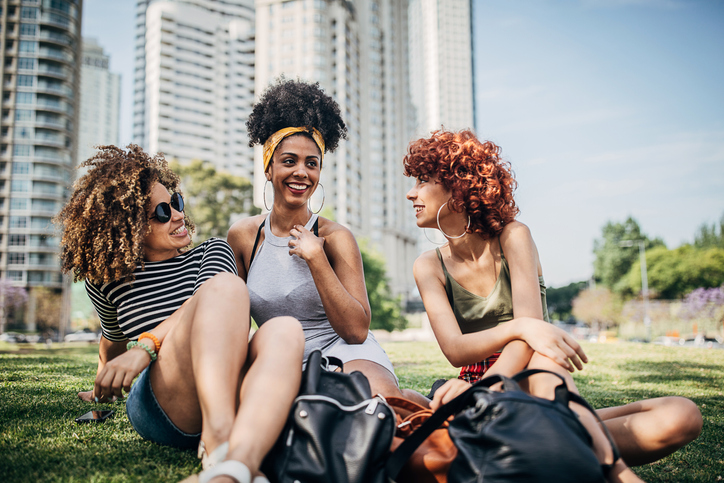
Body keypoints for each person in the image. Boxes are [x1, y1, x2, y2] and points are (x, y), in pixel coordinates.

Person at [404, 130, 702, 481]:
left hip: (530, 384)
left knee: (682, 414)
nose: (412, 193)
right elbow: (456, 350)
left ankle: (554, 441)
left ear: (459, 188)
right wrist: (514, 334)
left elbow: (532, 339)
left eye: (423, 181)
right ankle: (611, 469)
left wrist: (491, 381)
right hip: (482, 393)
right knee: (543, 357)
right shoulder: (428, 266)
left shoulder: (513, 236)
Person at [56, 145, 304, 483]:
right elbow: (111, 341)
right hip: (165, 402)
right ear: (129, 226)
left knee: (285, 329)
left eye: (176, 202)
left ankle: (236, 467)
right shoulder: (109, 282)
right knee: (228, 287)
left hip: (232, 388)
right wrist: (102, 391)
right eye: (160, 212)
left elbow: (205, 301)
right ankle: (218, 445)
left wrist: (143, 348)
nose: (176, 215)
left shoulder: (210, 251)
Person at [228, 79, 422, 403]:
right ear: (268, 167)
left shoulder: (335, 238)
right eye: (289, 161)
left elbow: (356, 331)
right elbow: (232, 319)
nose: (301, 172)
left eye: (312, 163)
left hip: (342, 352)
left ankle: (424, 409)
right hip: (277, 359)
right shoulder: (244, 236)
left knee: (380, 405)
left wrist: (317, 260)